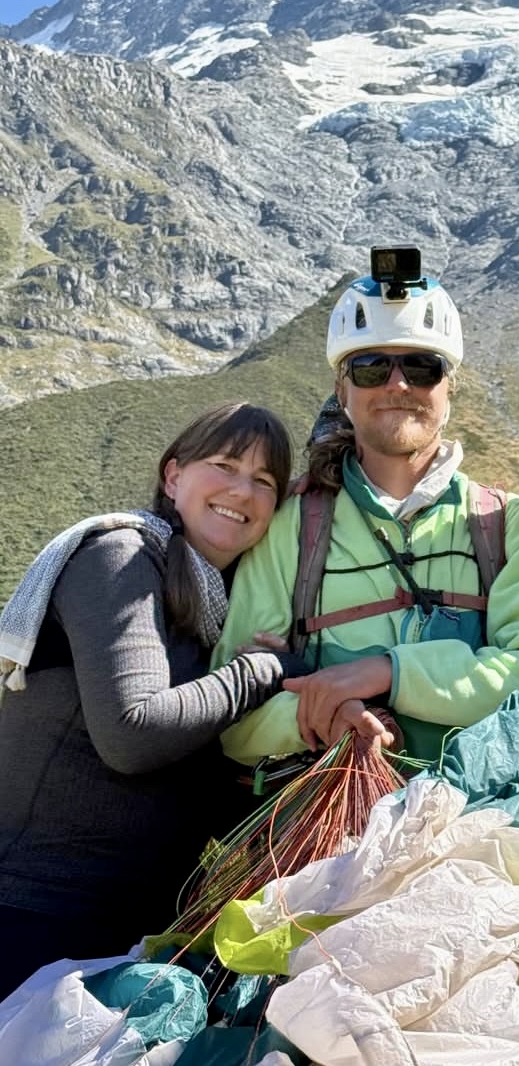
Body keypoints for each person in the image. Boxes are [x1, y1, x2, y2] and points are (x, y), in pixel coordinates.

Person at [211, 248, 519, 766]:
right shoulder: (289, 526)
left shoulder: (510, 525)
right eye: (370, 368)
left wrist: (390, 672)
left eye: (422, 367)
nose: (398, 385)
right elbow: (234, 718)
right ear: (341, 389)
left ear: (449, 389)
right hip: (329, 830)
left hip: (478, 822)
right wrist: (319, 716)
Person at [0, 401, 308, 1001]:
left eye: (265, 481)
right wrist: (264, 670)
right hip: (28, 914)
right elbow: (132, 733)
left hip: (120, 932)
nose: (242, 491)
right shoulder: (120, 555)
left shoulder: (214, 607)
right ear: (173, 477)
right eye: (223, 464)